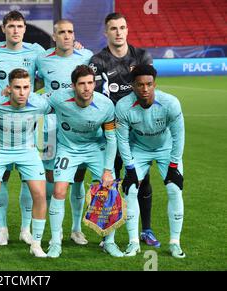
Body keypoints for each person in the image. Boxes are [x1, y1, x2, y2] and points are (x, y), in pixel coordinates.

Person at [88, 12, 159, 247]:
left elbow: (147, 91)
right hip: (109, 130)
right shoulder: (98, 61)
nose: (118, 32)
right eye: (113, 28)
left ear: (127, 30)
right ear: (106, 32)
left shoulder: (142, 56)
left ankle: (146, 230)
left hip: (137, 130)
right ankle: (110, 234)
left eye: (122, 27)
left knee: (142, 179)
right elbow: (96, 97)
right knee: (111, 179)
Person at [0, 10, 46, 247]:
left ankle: (26, 229)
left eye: (19, 26)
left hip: (28, 122)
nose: (15, 30)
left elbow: (50, 71)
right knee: (2, 178)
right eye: (11, 26)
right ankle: (2, 228)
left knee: (30, 180)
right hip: (0, 121)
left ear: (25, 29)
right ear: (3, 28)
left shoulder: (37, 51)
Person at [46, 65, 123, 258]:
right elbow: (37, 101)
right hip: (68, 148)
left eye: (90, 83)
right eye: (82, 84)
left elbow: (111, 138)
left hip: (95, 149)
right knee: (59, 189)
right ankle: (55, 242)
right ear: (73, 86)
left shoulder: (106, 105)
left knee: (110, 189)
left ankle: (109, 241)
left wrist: (107, 169)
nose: (87, 88)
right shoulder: (58, 98)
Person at [0, 68, 50, 260]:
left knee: (40, 194)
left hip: (26, 150)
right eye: (17, 87)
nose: (22, 92)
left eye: (26, 87)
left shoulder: (40, 104)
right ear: (8, 88)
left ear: (31, 89)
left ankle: (36, 243)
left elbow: (63, 100)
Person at [115, 64, 185, 258]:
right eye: (140, 85)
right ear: (132, 85)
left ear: (155, 84)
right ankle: (133, 243)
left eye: (149, 84)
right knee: (130, 189)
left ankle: (175, 243)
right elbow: (122, 139)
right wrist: (129, 168)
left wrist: (173, 166)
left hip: (166, 149)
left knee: (174, 188)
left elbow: (179, 136)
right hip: (140, 149)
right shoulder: (123, 106)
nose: (145, 89)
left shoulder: (170, 103)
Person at [35, 19, 93, 245]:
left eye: (70, 32)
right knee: (51, 178)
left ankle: (76, 229)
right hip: (51, 125)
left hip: (78, 125)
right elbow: (32, 82)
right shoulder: (42, 58)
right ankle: (51, 229)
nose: (67, 36)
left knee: (77, 178)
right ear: (54, 36)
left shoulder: (86, 56)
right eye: (62, 32)